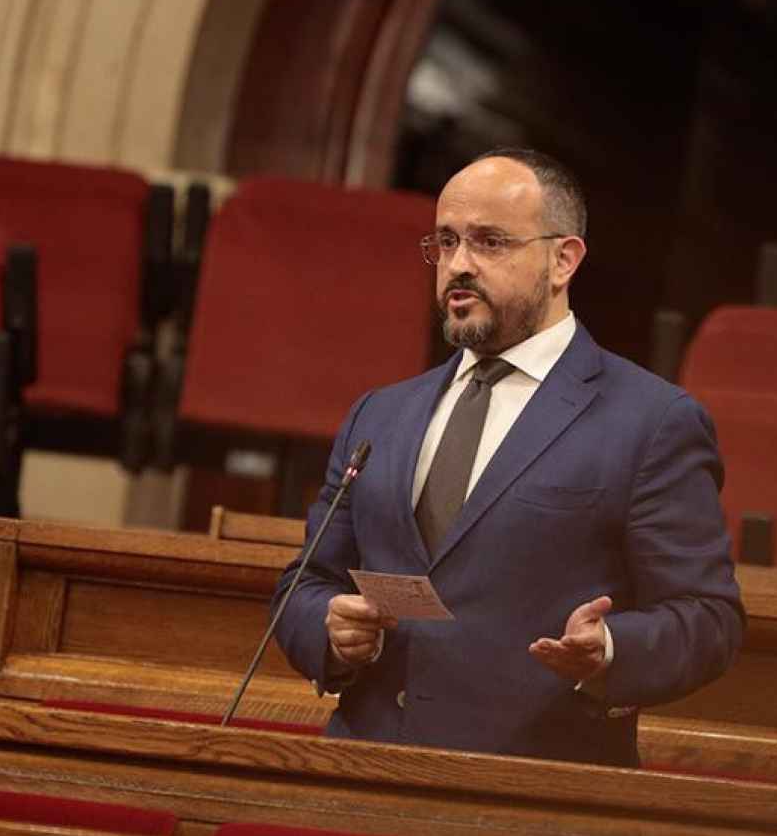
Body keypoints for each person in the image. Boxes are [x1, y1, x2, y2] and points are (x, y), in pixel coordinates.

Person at [271, 148, 744, 767]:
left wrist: (609, 650)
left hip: (533, 789)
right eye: (445, 242)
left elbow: (709, 619)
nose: (457, 266)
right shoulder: (379, 415)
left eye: (489, 243)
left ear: (562, 261)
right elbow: (306, 583)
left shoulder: (652, 422)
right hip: (363, 773)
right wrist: (328, 630)